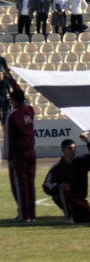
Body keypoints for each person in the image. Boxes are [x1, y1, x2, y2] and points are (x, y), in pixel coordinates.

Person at [42, 133, 90, 224]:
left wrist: (87, 141)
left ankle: (74, 215)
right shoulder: (57, 168)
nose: (73, 151)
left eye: (74, 148)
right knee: (64, 189)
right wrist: (58, 187)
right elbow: (46, 185)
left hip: (78, 199)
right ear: (63, 150)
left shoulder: (81, 163)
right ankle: (68, 217)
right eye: (70, 148)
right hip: (64, 197)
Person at [6, 88, 36, 222]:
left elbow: (11, 139)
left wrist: (10, 157)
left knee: (21, 185)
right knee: (30, 184)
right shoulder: (29, 111)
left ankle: (24, 215)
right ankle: (32, 215)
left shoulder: (13, 116)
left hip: (20, 154)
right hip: (31, 152)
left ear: (14, 100)